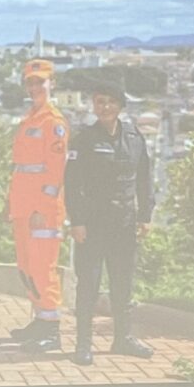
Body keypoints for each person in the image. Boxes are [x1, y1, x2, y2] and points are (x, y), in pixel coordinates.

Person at [66, 75, 157, 363]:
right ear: (94, 106)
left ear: (120, 106)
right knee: (89, 286)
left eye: (110, 102)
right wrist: (77, 221)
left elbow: (144, 177)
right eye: (99, 102)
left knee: (123, 284)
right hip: (93, 224)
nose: (104, 107)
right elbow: (72, 184)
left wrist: (145, 215)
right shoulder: (84, 139)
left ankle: (123, 339)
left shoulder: (133, 137)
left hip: (124, 224)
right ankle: (83, 344)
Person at [6, 58, 70, 350]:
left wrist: (42, 210)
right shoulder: (29, 119)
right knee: (27, 267)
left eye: (40, 81)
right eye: (30, 82)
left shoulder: (53, 123)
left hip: (42, 211)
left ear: (51, 83)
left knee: (44, 269)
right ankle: (40, 321)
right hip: (22, 208)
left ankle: (52, 330)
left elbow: (55, 173)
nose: (35, 87)